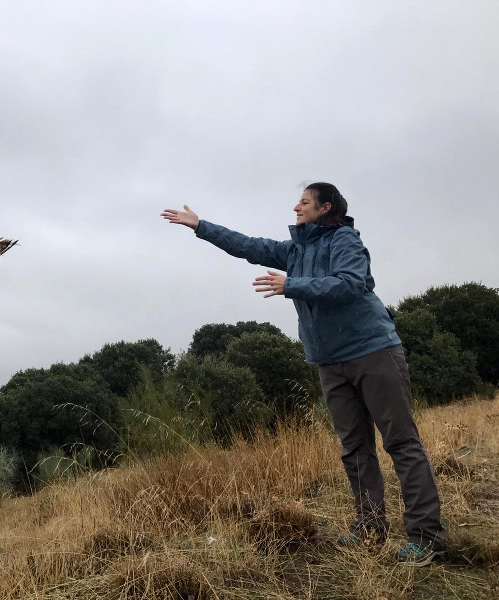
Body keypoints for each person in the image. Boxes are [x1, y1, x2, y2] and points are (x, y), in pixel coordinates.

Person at [161, 182, 446, 566]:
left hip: (373, 352)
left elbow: (352, 283)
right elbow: (248, 245)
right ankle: (370, 528)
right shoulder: (294, 250)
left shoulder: (345, 241)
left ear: (325, 207)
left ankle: (426, 538)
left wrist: (291, 285)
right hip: (328, 362)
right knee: (355, 450)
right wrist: (200, 225)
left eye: (304, 201)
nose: (296, 206)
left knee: (401, 445)